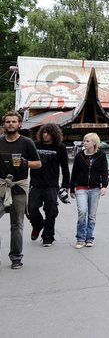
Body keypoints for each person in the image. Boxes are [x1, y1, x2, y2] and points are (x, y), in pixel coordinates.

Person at [0, 111, 41, 269]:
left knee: (16, 224)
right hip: (2, 186)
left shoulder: (27, 142)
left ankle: (16, 257)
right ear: (4, 124)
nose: (10, 124)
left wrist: (26, 163)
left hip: (18, 187)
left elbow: (38, 164)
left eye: (13, 122)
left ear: (19, 124)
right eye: (8, 122)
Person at [28, 123, 70, 247]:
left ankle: (48, 236)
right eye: (44, 132)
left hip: (51, 185)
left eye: (48, 133)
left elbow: (65, 167)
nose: (45, 135)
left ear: (54, 134)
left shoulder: (60, 147)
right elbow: (27, 162)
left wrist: (65, 186)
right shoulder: (35, 145)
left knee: (51, 211)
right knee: (31, 208)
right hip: (36, 184)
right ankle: (38, 225)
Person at [69, 133, 109, 249]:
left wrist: (104, 186)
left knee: (92, 215)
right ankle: (80, 238)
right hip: (81, 188)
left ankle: (89, 238)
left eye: (87, 141)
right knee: (82, 211)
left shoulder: (101, 155)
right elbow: (74, 173)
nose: (84, 143)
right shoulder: (79, 156)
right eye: (84, 141)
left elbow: (104, 172)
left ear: (94, 143)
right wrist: (72, 189)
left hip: (95, 188)